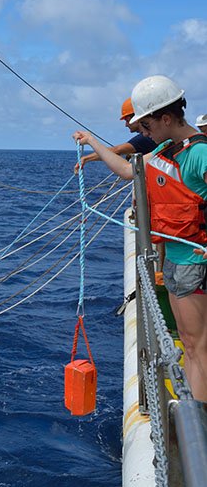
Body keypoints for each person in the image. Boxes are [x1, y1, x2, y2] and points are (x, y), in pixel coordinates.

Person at [73, 75, 207, 401]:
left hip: (193, 260)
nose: (143, 132)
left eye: (146, 124)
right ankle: (189, 411)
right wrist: (92, 142)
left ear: (165, 117)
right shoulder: (167, 149)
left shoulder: (200, 154)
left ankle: (196, 425)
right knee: (190, 344)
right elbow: (126, 171)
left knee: (197, 347)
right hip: (176, 260)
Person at [73, 98, 156, 174]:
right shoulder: (149, 137)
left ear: (136, 119)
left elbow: (117, 150)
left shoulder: (145, 138)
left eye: (127, 121)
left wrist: (85, 158)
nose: (126, 125)